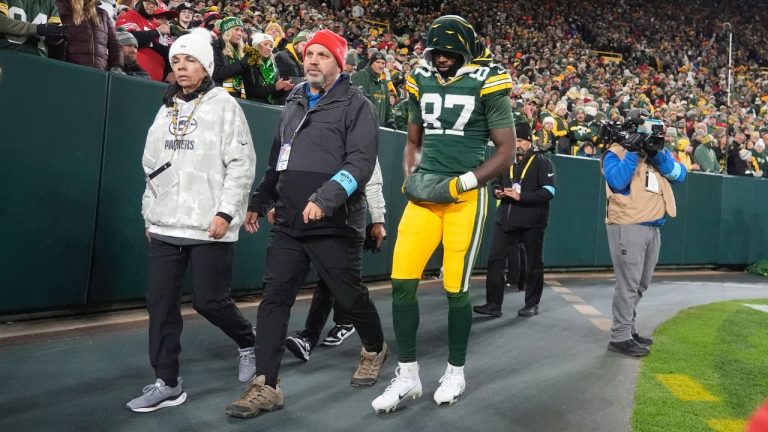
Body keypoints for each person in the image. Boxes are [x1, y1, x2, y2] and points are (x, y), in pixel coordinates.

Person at [225, 29, 387, 419]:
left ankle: (374, 347)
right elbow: (277, 158)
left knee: (348, 297)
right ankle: (266, 385)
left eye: (322, 55)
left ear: (339, 63)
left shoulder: (357, 105)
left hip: (335, 222)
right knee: (274, 298)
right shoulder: (294, 99)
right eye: (309, 54)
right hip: (289, 221)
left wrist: (325, 198)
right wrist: (261, 199)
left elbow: (359, 165)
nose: (312, 61)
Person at [371, 15, 515, 413]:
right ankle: (407, 374)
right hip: (426, 193)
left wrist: (464, 184)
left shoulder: (487, 80)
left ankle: (455, 369)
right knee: (401, 280)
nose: (442, 59)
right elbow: (414, 140)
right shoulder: (422, 77)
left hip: (465, 195)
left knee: (455, 287)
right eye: (437, 51)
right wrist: (412, 177)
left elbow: (507, 151)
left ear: (465, 50)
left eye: (450, 52)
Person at [127, 28, 258, 413]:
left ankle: (247, 339)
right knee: (161, 302)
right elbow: (151, 165)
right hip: (167, 224)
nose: (182, 67)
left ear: (207, 67)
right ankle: (167, 382)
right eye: (177, 61)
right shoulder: (166, 108)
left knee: (209, 300)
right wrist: (150, 213)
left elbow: (241, 164)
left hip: (209, 224)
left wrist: (226, 211)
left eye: (191, 61)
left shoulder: (225, 106)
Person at [601, 110, 687, 357]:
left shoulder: (656, 152)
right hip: (628, 224)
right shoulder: (614, 152)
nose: (652, 134)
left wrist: (656, 155)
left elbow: (680, 175)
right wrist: (633, 152)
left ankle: (628, 328)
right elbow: (617, 181)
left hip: (653, 226)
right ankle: (619, 337)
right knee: (628, 284)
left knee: (640, 284)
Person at [284, 158, 387, 361]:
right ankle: (310, 337)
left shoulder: (362, 137)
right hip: (322, 219)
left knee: (344, 284)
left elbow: (373, 182)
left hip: (349, 222)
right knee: (327, 280)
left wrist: (378, 220)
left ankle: (349, 330)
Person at [474, 121, 555, 318]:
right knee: (494, 260)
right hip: (506, 220)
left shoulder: (543, 161)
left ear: (529, 141)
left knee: (533, 263)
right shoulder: (505, 160)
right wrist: (497, 192)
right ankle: (493, 305)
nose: (516, 144)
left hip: (532, 222)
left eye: (520, 140)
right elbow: (495, 183)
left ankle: (531, 304)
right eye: (513, 140)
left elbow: (549, 191)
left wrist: (522, 197)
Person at [56, 0, 123, 71]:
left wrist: (117, 66)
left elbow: (115, 44)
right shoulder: (62, 7)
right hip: (69, 72)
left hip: (99, 75)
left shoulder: (103, 14)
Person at [115, 0, 171, 81]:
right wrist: (156, 32)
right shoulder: (129, 15)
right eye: (148, 2)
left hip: (157, 81)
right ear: (139, 2)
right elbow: (126, 40)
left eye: (154, 4)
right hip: (132, 76)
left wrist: (169, 72)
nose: (151, 6)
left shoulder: (158, 25)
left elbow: (167, 51)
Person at [0, 0, 66, 57]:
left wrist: (57, 36)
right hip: (7, 56)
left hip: (39, 62)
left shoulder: (49, 2)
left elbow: (53, 33)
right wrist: (36, 29)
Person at [211, 17, 254, 99]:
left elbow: (250, 86)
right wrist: (242, 64)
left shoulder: (241, 50)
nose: (240, 33)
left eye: (241, 31)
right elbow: (216, 74)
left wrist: (248, 67)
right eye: (236, 29)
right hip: (219, 97)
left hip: (240, 98)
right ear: (227, 30)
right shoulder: (216, 45)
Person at [247, 32, 294, 104]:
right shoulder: (250, 63)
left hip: (269, 105)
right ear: (256, 46)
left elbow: (274, 92)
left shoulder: (273, 65)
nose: (269, 48)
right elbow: (251, 92)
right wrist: (275, 87)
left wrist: (283, 89)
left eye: (271, 46)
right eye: (265, 44)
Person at [350, 51, 394, 127]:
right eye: (377, 62)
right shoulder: (361, 75)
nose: (381, 66)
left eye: (383, 63)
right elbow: (359, 101)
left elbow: (387, 106)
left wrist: (391, 121)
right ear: (371, 63)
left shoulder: (384, 82)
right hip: (362, 126)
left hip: (379, 128)